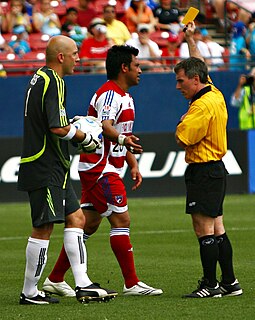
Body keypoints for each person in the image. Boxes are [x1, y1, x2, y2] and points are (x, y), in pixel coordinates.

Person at [42, 44, 163, 297]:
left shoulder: (125, 96)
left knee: (89, 223)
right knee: (121, 220)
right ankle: (131, 283)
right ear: (124, 68)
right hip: (100, 167)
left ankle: (54, 279)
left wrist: (132, 163)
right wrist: (122, 142)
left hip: (107, 166)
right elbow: (107, 127)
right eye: (137, 66)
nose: (141, 70)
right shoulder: (109, 94)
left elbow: (122, 135)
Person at [17, 35, 117, 305]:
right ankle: (29, 291)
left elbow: (57, 122)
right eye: (74, 53)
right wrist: (86, 138)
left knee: (76, 218)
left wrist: (74, 125)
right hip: (45, 165)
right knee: (44, 227)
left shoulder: (40, 78)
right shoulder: (54, 81)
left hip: (53, 165)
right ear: (61, 57)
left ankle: (83, 283)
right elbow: (57, 128)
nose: (79, 58)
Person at [174, 21, 243, 298]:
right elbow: (199, 63)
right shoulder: (213, 92)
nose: (178, 86)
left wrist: (181, 123)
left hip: (203, 170)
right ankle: (230, 282)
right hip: (216, 169)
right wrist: (190, 39)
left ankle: (210, 285)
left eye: (181, 81)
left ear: (194, 80)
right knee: (217, 228)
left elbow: (182, 139)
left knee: (204, 229)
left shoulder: (201, 107)